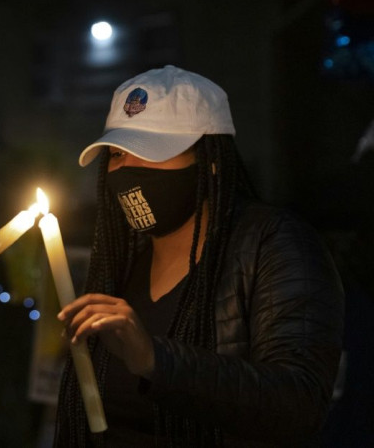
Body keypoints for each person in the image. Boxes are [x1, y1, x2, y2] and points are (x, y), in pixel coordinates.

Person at [53, 65, 344, 447]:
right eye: (116, 154)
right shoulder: (121, 262)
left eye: (150, 151)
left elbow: (299, 404)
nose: (128, 169)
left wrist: (157, 360)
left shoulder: (274, 244)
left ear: (210, 160)